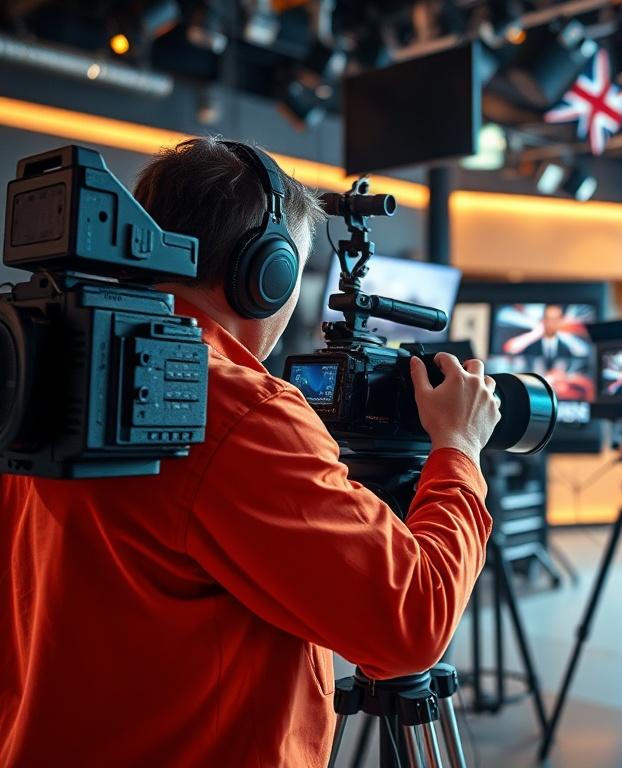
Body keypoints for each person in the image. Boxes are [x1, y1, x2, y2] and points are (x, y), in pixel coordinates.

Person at [0, 138, 501, 766]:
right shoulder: (240, 410)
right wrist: (458, 447)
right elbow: (412, 624)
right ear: (267, 273)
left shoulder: (47, 366)